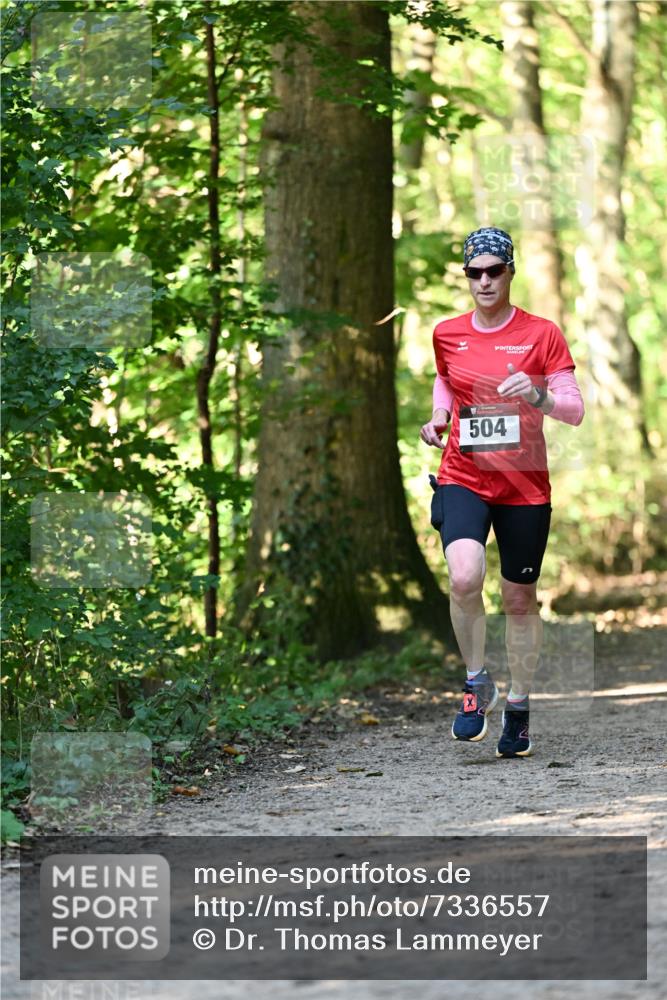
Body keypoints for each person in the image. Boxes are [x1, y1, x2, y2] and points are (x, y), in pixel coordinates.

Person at [420, 227, 584, 758]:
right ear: (466, 277)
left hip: (524, 486)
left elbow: (574, 409)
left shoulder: (542, 334)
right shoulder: (447, 332)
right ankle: (475, 682)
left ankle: (518, 707)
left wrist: (538, 394)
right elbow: (447, 380)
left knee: (519, 600)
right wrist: (439, 416)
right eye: (474, 272)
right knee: (465, 574)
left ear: (511, 272)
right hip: (463, 475)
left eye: (494, 270)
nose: (484, 280)